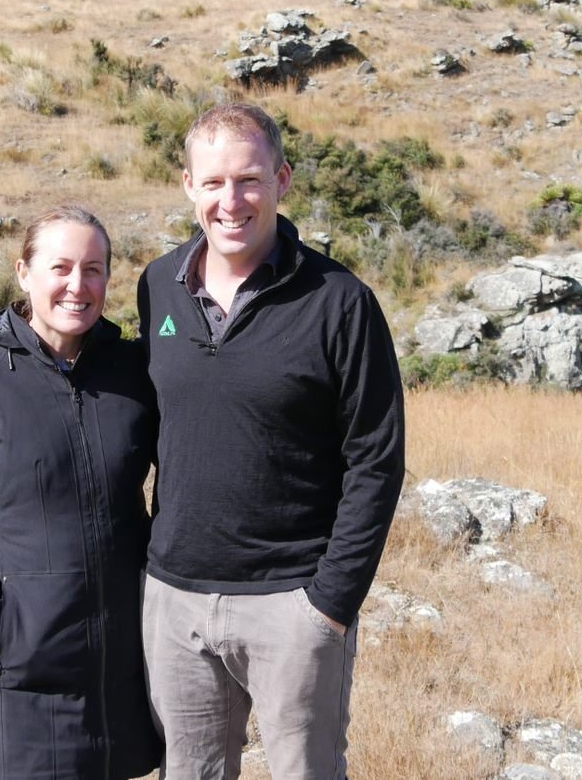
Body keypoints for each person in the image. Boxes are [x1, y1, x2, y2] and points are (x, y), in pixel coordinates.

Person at [136, 103, 406, 779]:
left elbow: (375, 457)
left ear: (282, 179)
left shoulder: (339, 302)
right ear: (188, 187)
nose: (232, 201)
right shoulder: (156, 288)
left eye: (250, 179)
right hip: (175, 602)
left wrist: (329, 605)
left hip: (292, 604)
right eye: (214, 182)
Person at [0, 206, 161, 779]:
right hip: (30, 672)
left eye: (94, 269)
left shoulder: (134, 374)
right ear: (25, 273)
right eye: (61, 267)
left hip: (128, 660)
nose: (78, 286)